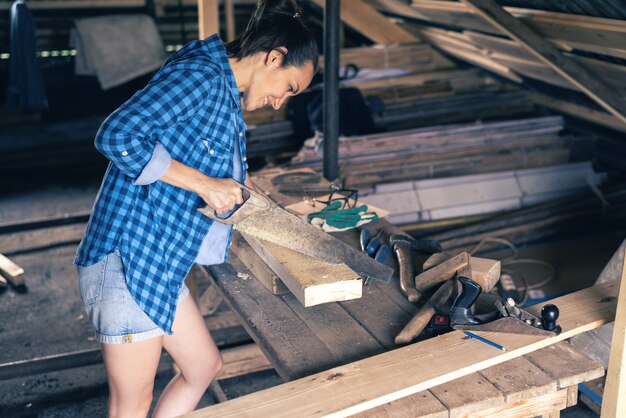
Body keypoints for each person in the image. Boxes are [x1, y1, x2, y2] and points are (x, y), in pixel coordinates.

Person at [74, 1, 318, 416]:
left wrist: (236, 185)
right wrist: (204, 183)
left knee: (203, 366)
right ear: (275, 57)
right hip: (128, 260)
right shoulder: (202, 78)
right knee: (131, 406)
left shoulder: (222, 89)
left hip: (158, 263)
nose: (281, 102)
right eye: (289, 87)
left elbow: (192, 153)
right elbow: (116, 135)